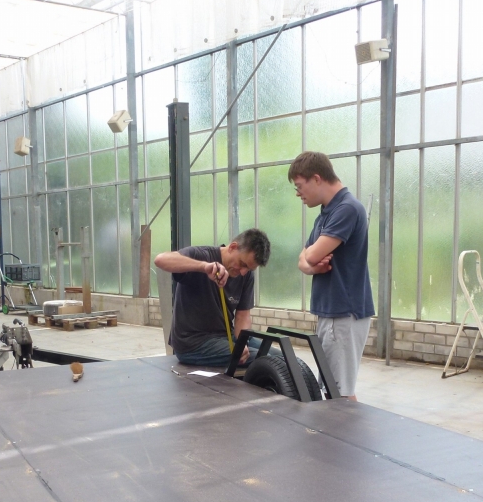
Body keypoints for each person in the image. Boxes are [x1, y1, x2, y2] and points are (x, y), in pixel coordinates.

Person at [292, 151, 374, 400]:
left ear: (317, 178)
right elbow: (303, 260)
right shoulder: (326, 214)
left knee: (339, 395)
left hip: (343, 312)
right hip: (332, 311)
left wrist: (310, 259)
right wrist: (312, 265)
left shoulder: (346, 209)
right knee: (334, 390)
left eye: (299, 186)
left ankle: (349, 427)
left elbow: (311, 254)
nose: (298, 193)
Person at [154, 228, 271, 367]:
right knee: (267, 361)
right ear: (233, 247)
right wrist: (203, 267)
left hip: (225, 337)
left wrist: (242, 343)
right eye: (242, 264)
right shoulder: (201, 256)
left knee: (283, 357)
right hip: (193, 343)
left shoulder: (246, 275)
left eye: (249, 269)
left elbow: (243, 316)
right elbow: (160, 260)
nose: (243, 272)